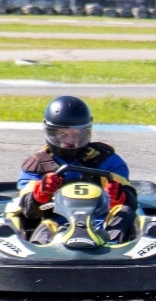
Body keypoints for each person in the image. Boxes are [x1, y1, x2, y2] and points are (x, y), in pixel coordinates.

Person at [14, 96, 137, 244]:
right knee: (44, 225)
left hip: (102, 225)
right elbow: (28, 210)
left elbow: (131, 199)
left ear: (87, 132)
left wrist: (120, 196)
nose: (70, 141)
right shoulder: (38, 165)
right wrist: (41, 193)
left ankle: (115, 252)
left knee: (124, 212)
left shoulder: (105, 159)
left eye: (77, 134)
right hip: (57, 225)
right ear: (51, 133)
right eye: (63, 134)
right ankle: (38, 255)